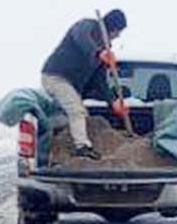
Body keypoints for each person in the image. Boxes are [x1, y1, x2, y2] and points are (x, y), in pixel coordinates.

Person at [41, 9, 128, 160]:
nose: (118, 35)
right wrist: (97, 53)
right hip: (56, 76)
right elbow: (81, 38)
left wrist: (112, 101)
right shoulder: (87, 26)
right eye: (118, 31)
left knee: (78, 115)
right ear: (111, 26)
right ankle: (81, 147)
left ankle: (65, 145)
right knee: (77, 110)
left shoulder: (106, 49)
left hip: (72, 85)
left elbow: (99, 80)